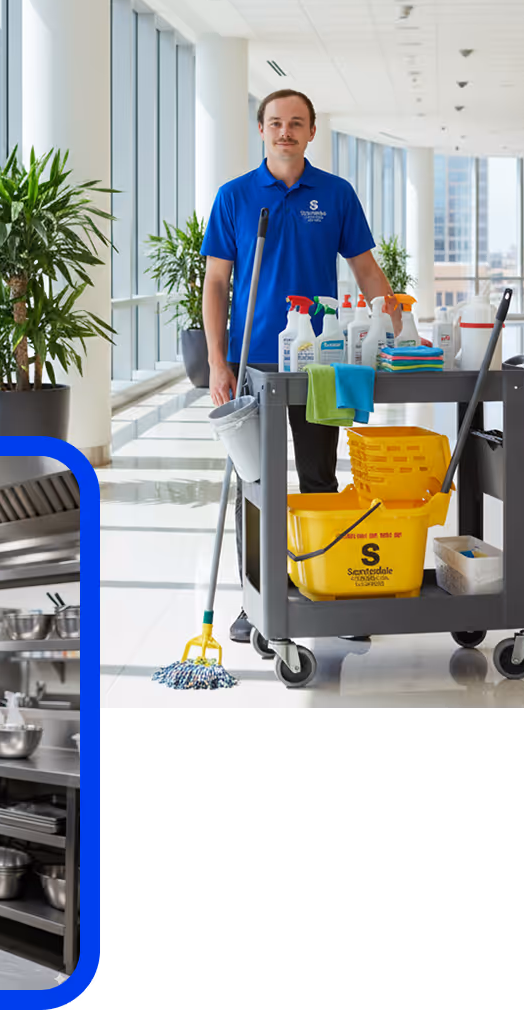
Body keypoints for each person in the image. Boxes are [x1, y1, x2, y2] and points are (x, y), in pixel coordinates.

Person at [201, 88, 401, 644]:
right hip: (251, 361)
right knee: (255, 484)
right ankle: (255, 599)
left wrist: (393, 327)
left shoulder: (335, 195)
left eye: (296, 123)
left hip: (321, 361)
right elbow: (216, 283)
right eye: (275, 123)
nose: (285, 132)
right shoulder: (235, 197)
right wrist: (219, 362)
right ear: (261, 130)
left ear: (312, 132)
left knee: (318, 477)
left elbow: (364, 267)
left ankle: (324, 584)